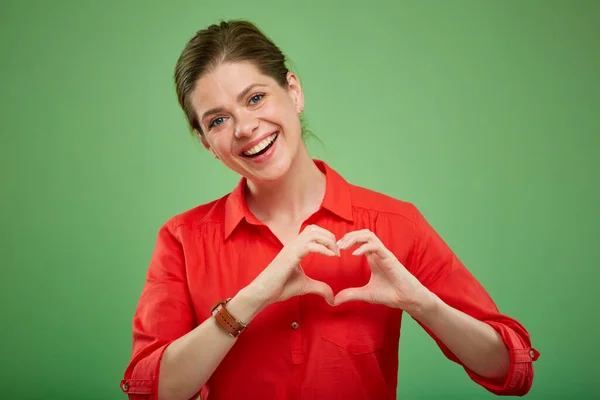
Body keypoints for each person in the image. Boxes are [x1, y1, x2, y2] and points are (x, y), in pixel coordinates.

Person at [120, 19, 539, 400]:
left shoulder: (394, 225)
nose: (244, 127)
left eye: (256, 98)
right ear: (206, 143)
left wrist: (423, 305)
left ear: (294, 91)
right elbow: (149, 390)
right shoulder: (182, 238)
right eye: (217, 121)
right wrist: (248, 301)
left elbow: (511, 369)